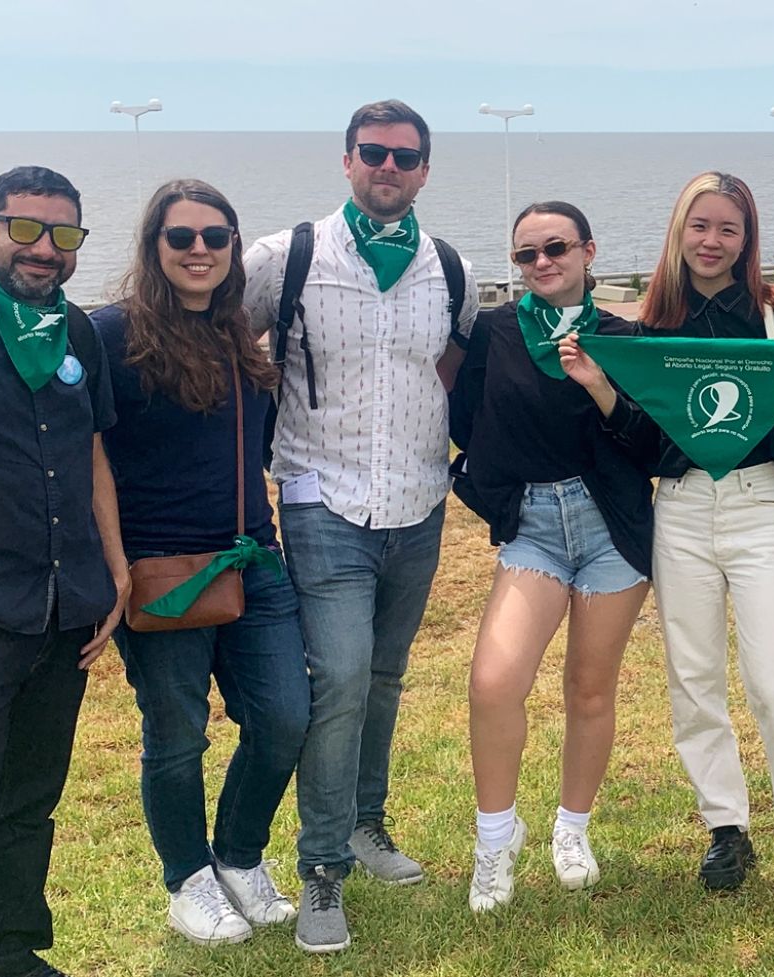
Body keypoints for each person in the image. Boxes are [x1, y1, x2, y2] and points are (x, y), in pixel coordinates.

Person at [242, 98, 479, 953]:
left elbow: (457, 366)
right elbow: (207, 333)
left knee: (383, 676)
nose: (388, 167)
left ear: (424, 170)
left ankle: (367, 825)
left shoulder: (449, 271)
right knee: (337, 678)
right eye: (373, 152)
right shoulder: (286, 257)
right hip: (320, 499)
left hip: (418, 505)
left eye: (405, 156)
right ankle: (321, 868)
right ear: (347, 161)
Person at [91, 180, 311, 947]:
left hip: (255, 556)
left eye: (216, 237)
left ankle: (238, 858)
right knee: (178, 734)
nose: (199, 250)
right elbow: (87, 453)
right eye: (181, 236)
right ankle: (187, 878)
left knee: (284, 718)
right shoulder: (111, 334)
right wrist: (115, 564)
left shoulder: (235, 334)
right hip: (163, 573)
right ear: (154, 246)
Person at [634, 171, 774, 893]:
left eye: (727, 228)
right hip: (679, 505)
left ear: (747, 238)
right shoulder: (651, 324)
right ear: (680, 230)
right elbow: (638, 435)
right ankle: (725, 828)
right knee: (694, 677)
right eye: (699, 225)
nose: (712, 240)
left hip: (760, 502)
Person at [449, 201, 653, 911]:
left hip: (611, 528)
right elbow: (464, 420)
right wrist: (489, 494)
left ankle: (573, 828)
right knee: (494, 682)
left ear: (589, 251)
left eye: (556, 248)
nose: (542, 263)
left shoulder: (626, 338)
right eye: (526, 254)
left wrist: (599, 384)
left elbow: (652, 444)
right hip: (534, 527)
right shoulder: (497, 333)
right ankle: (494, 839)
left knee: (590, 689)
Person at [0, 166, 128, 977]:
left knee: (31, 793)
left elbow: (94, 450)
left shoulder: (75, 333)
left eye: (64, 234)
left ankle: (9, 947)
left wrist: (114, 570)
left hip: (65, 602)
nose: (45, 249)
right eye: (26, 228)